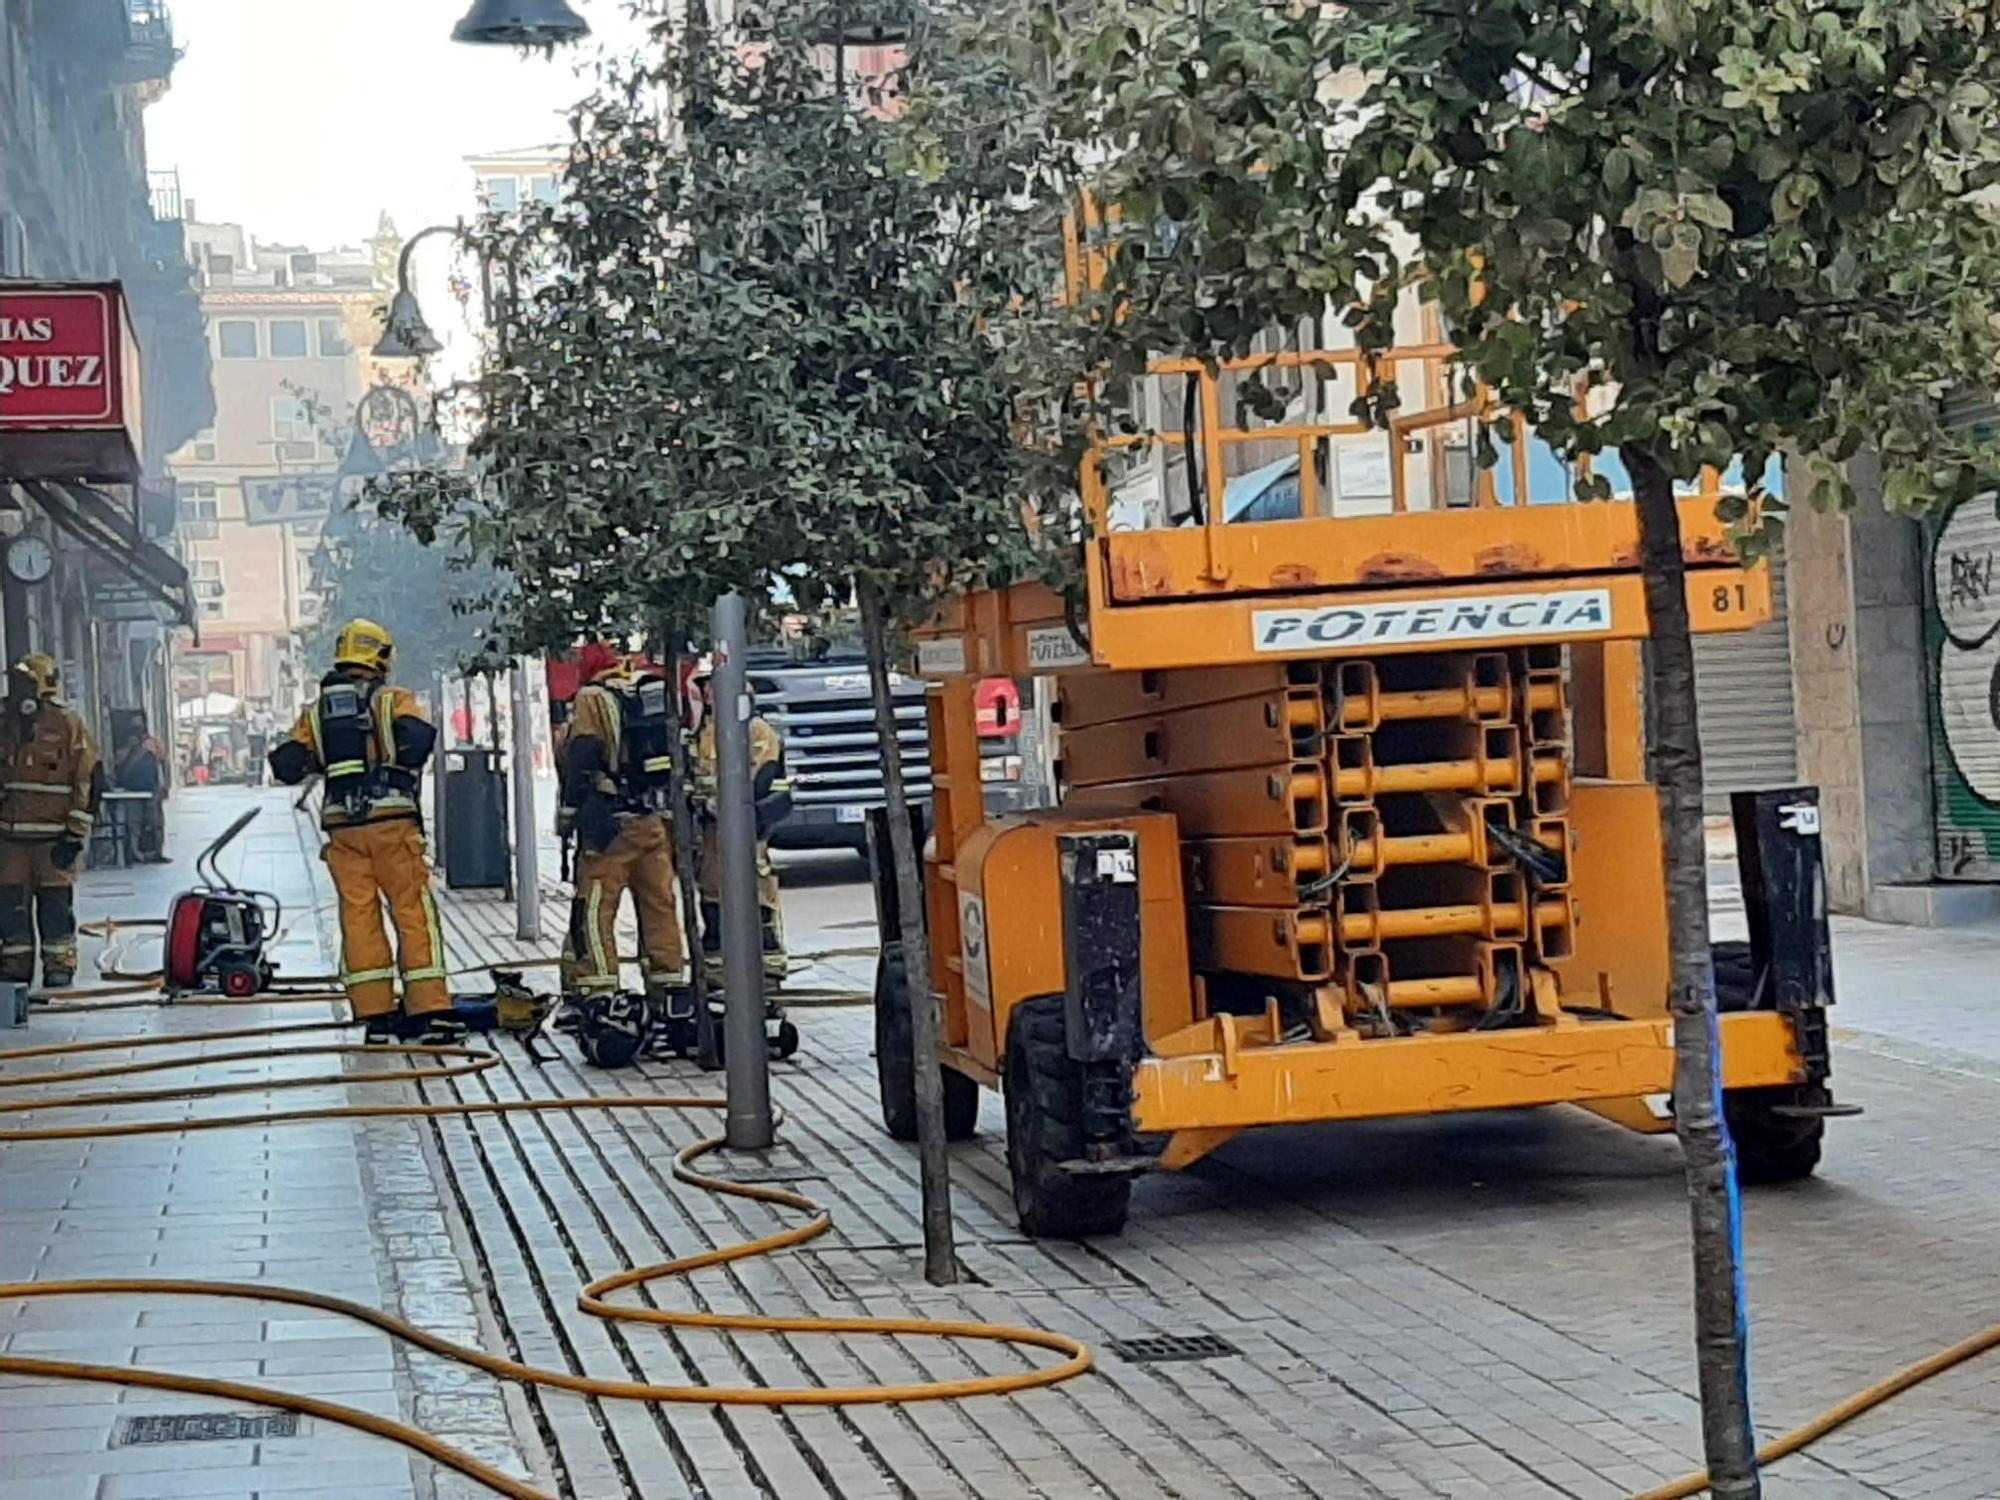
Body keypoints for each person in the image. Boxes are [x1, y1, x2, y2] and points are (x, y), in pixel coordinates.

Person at [267, 618, 460, 1044]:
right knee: (412, 911)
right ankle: (430, 1009)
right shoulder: (394, 699)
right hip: (392, 825)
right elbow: (418, 738)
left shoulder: (316, 713)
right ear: (381, 657)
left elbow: (288, 763)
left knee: (359, 916)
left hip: (343, 830)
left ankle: (375, 1014)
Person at [557, 641, 687, 1009]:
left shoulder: (591, 698)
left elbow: (583, 752)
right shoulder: (642, 691)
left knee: (595, 908)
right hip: (651, 821)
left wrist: (569, 811)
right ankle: (670, 987)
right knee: (659, 905)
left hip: (610, 826)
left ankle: (598, 987)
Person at [0, 654, 102, 990]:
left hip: (53, 840)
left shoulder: (68, 725)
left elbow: (90, 780)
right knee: (10, 907)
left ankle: (59, 965)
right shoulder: (5, 723)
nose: (16, 693)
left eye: (23, 684)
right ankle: (15, 968)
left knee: (55, 906)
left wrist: (74, 837)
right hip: (10, 840)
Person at [689, 660, 791, 984]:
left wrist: (726, 804)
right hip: (708, 833)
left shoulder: (757, 731)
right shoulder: (702, 732)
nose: (708, 693)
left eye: (713, 686)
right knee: (712, 895)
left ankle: (768, 965)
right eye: (706, 687)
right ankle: (718, 969)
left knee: (757, 893)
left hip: (746, 832)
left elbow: (761, 776)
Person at [112, 713, 168, 863]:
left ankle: (156, 852)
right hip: (131, 791)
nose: (137, 729)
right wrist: (131, 749)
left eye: (139, 725)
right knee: (133, 824)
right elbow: (118, 763)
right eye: (134, 725)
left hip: (151, 789)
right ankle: (135, 853)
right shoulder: (126, 745)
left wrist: (163, 786)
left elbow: (161, 763)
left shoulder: (154, 742)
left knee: (156, 823)